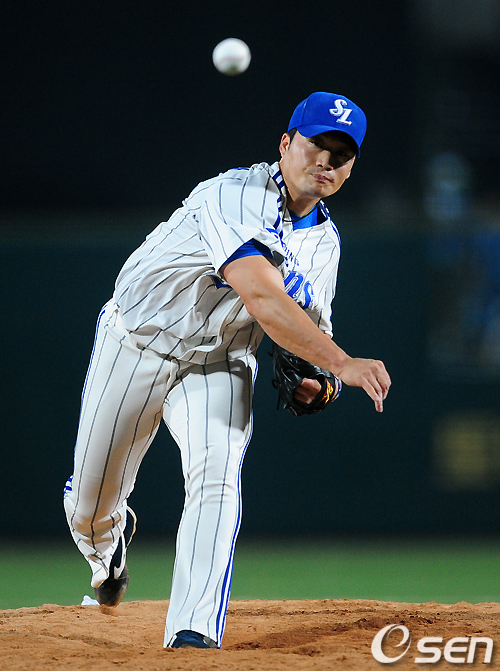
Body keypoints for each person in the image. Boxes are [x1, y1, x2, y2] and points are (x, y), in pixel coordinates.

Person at [63, 91, 391, 650]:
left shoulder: (326, 247)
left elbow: (310, 339)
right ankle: (106, 546)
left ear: (351, 167)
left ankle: (193, 633)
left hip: (220, 361)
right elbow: (263, 296)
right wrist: (342, 363)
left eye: (342, 154)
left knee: (218, 473)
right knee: (90, 506)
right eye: (316, 144)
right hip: (136, 341)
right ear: (285, 144)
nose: (326, 161)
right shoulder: (233, 193)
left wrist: (322, 384)